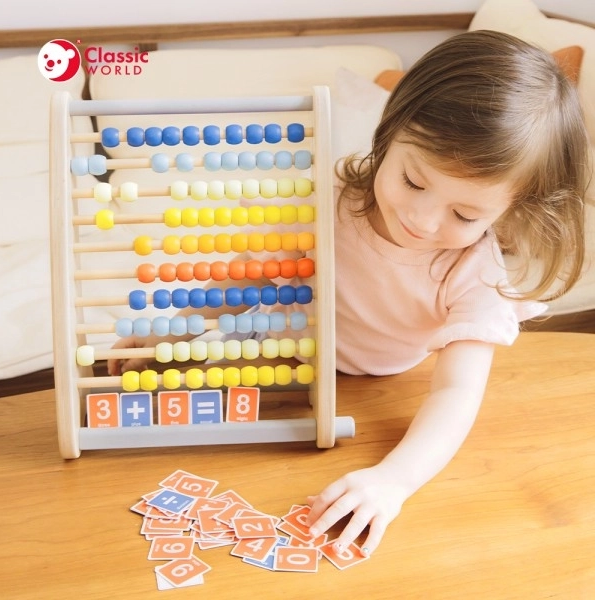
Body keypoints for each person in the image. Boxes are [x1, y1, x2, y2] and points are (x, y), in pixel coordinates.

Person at [108, 31, 590, 557]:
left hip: (376, 386)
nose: (422, 220)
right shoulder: (331, 203)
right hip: (281, 348)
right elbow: (253, 275)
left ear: (508, 210)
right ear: (389, 132)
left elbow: (456, 394)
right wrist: (173, 331)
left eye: (465, 214)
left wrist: (394, 481)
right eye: (412, 180)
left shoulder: (476, 277)